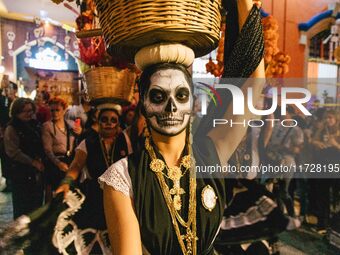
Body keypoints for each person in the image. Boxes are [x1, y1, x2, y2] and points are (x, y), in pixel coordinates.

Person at [98, 1, 267, 253]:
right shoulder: (121, 179)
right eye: (158, 96)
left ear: (193, 103)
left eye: (181, 96)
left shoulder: (212, 152)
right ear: (142, 104)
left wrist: (244, 6)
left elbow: (254, 85)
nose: (171, 108)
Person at [54, 104, 122, 254]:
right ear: (98, 122)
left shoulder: (126, 141)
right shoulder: (88, 142)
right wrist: (66, 182)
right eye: (104, 120)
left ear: (118, 124)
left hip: (120, 197)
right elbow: (76, 165)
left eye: (113, 120)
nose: (109, 123)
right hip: (95, 197)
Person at [4, 98, 45, 218]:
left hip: (35, 174)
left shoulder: (34, 125)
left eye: (30, 111)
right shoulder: (12, 128)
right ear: (17, 112)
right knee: (22, 209)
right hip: (21, 173)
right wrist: (32, 162)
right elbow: (13, 152)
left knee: (36, 206)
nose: (29, 114)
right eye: (24, 111)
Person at [42, 97, 79, 201]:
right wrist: (58, 163)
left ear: (64, 110)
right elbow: (48, 150)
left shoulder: (71, 125)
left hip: (70, 161)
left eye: (57, 110)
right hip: (55, 164)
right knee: (54, 195)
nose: (54, 113)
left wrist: (80, 132)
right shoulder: (47, 126)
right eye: (52, 110)